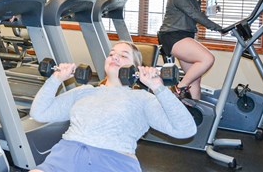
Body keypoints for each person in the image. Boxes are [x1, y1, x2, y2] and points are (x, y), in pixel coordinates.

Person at [29, 41, 196, 172]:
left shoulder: (142, 98)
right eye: (111, 54)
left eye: (123, 56)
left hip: (112, 163)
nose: (115, 57)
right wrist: (56, 79)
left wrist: (158, 88)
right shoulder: (84, 91)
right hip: (64, 157)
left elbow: (185, 130)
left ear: (136, 69)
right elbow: (39, 113)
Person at [157, 0, 222, 101]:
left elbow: (194, 16)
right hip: (172, 35)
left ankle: (194, 115)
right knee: (207, 59)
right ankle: (179, 88)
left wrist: (209, 13)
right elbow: (193, 14)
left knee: (195, 81)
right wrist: (218, 28)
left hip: (185, 36)